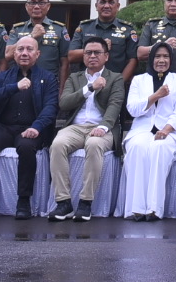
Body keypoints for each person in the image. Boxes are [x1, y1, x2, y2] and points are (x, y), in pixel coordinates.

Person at [0, 34, 58, 220]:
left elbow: (51, 107)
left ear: (37, 54)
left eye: (29, 49)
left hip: (31, 128)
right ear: (14, 53)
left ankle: (24, 200)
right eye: (20, 49)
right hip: (4, 127)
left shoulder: (48, 78)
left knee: (26, 147)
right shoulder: (4, 76)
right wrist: (14, 87)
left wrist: (37, 127)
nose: (24, 53)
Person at [47, 36, 125, 222]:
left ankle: (85, 202)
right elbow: (64, 103)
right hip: (76, 127)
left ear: (106, 56)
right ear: (83, 57)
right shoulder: (75, 78)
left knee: (94, 144)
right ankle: (63, 202)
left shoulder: (115, 78)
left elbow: (115, 105)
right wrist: (90, 88)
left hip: (102, 127)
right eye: (88, 53)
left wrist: (103, 127)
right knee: (57, 144)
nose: (92, 56)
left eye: (97, 52)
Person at [119, 41, 176, 220]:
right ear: (151, 59)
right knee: (137, 148)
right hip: (142, 129)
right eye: (157, 56)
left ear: (171, 59)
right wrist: (155, 96)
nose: (161, 60)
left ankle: (153, 209)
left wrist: (166, 129)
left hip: (171, 131)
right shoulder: (138, 80)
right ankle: (135, 208)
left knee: (159, 148)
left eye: (165, 56)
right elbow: (132, 109)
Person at [67, 0, 136, 82]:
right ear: (96, 6)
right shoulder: (84, 27)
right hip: (86, 83)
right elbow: (71, 56)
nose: (106, 6)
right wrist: (98, 47)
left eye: (111, 2)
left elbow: (133, 60)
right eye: (102, 2)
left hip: (115, 84)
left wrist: (119, 83)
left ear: (118, 6)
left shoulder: (128, 30)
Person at [2, 0, 68, 81]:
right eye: (32, 2)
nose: (36, 6)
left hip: (49, 83)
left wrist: (62, 88)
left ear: (48, 6)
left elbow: (65, 62)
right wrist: (31, 36)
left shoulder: (59, 29)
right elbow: (8, 55)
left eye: (41, 3)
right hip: (20, 81)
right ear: (26, 6)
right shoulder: (17, 29)